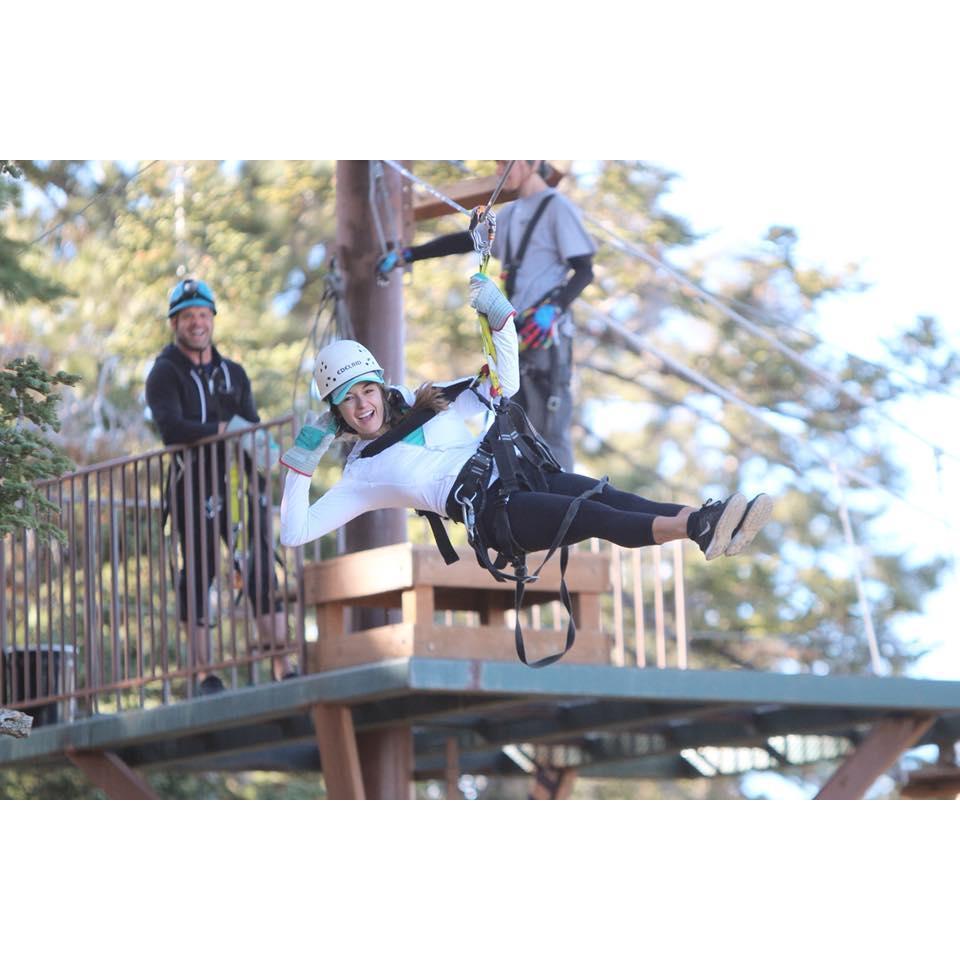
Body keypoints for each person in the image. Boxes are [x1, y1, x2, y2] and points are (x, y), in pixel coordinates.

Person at [279, 276, 773, 663]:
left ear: (379, 385)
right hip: (496, 512)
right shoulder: (361, 475)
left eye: (365, 390)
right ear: (336, 413)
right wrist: (302, 461)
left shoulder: (428, 401)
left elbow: (504, 383)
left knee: (611, 498)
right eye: (347, 401)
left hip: (522, 471)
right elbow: (295, 532)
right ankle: (698, 527)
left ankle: (702, 525)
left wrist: (501, 323)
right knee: (588, 515)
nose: (361, 405)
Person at [377, 160, 596, 471]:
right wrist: (410, 254)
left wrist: (554, 309)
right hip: (515, 333)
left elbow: (584, 269)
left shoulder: (556, 208)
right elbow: (465, 241)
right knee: (516, 424)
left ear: (531, 161)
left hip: (545, 335)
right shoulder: (512, 213)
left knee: (549, 425)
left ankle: (571, 505)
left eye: (505, 163)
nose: (499, 171)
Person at [145, 277, 295, 693]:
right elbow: (171, 428)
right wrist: (223, 429)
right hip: (192, 485)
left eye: (204, 315)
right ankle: (204, 674)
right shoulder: (163, 373)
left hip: (241, 488)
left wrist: (265, 470)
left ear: (213, 319)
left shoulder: (234, 373)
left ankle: (284, 664)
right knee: (199, 573)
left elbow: (253, 425)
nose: (197, 323)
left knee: (261, 569)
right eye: (189, 316)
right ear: (175, 323)